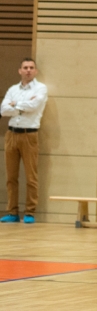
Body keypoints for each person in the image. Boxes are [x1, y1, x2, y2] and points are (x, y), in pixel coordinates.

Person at [2, 58, 48, 224]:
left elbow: (33, 106)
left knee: (31, 177)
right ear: (19, 70)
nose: (28, 70)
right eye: (25, 67)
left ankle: (29, 212)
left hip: (29, 135)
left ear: (35, 71)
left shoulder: (41, 88)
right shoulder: (13, 89)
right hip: (11, 134)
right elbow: (3, 110)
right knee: (11, 177)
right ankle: (12, 212)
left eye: (31, 67)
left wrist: (14, 105)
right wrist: (20, 104)